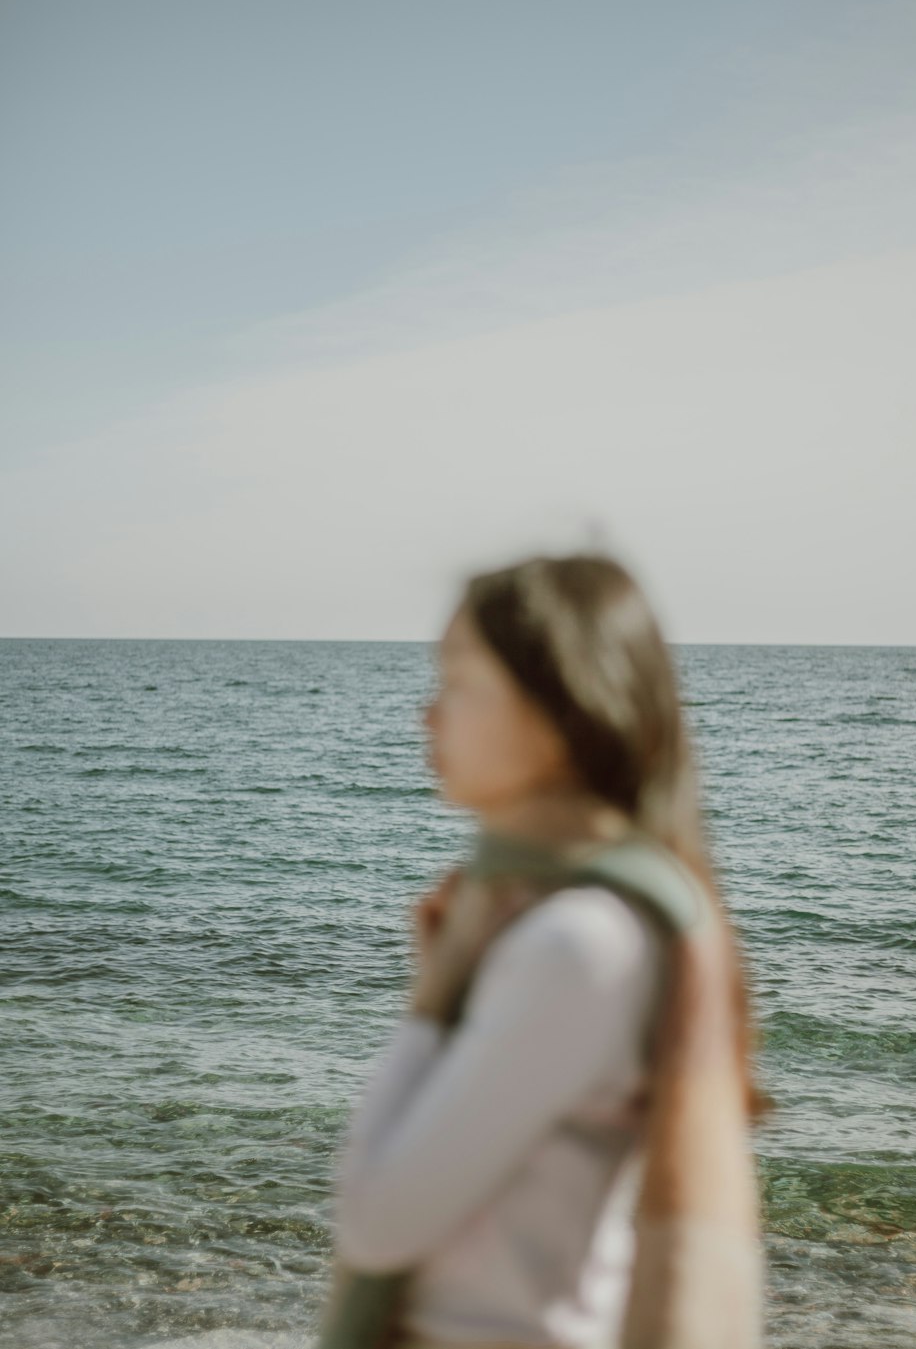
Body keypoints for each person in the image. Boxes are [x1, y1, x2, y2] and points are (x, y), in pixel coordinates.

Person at [326, 551, 769, 1349]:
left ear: (559, 711)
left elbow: (374, 1225)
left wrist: (429, 1000)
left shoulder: (578, 942)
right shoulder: (580, 919)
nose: (426, 715)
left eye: (458, 682)